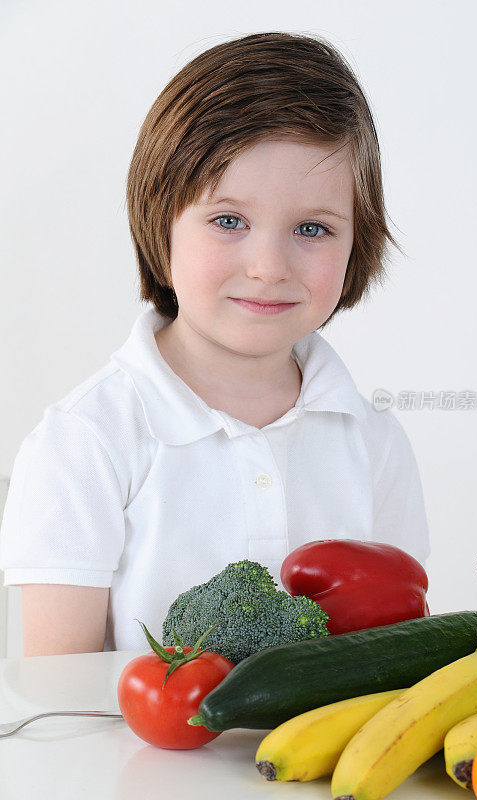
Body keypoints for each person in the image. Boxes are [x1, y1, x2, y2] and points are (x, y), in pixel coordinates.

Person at [0, 31, 430, 657]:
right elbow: (60, 697)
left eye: (313, 228)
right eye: (229, 221)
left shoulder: (374, 440)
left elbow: (401, 650)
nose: (267, 265)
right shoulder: (86, 440)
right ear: (162, 221)